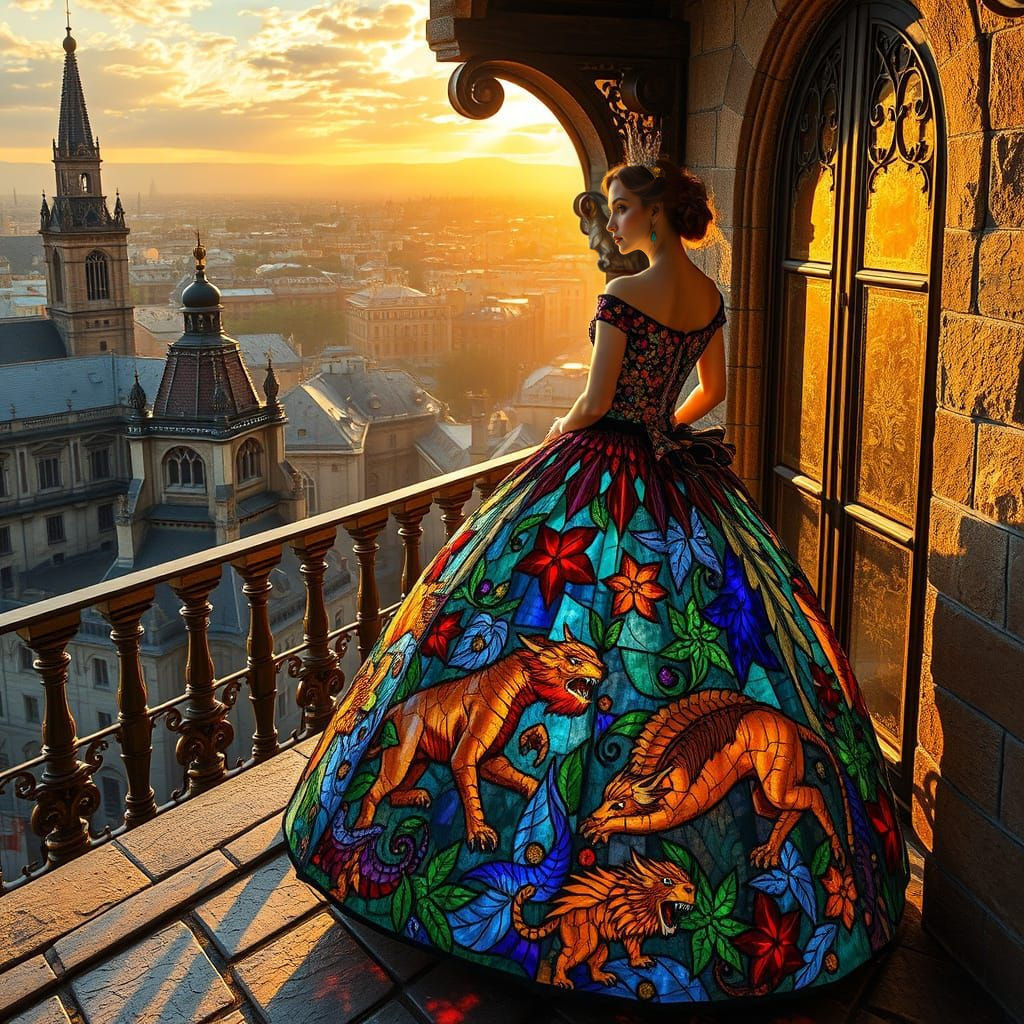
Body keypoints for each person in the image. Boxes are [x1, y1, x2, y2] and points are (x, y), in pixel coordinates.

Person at [282, 120, 909, 1008]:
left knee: (532, 608)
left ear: (654, 212)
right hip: (676, 473)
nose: (610, 222)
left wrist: (563, 434)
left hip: (601, 467)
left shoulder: (626, 295)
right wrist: (667, 428)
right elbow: (717, 393)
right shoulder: (709, 294)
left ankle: (504, 882)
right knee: (675, 633)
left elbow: (591, 398)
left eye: (619, 207)